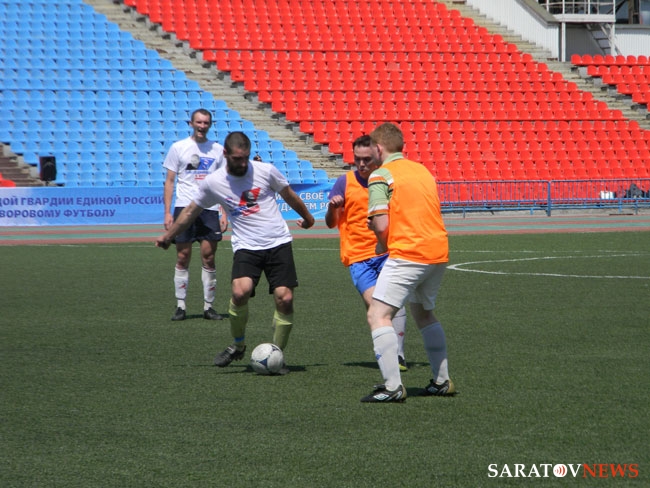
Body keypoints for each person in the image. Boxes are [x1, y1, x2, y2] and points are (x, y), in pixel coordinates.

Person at [156, 131, 315, 371]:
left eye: (245, 158)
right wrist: (169, 236)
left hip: (278, 242)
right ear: (225, 154)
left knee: (285, 298)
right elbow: (190, 211)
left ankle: (277, 354)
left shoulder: (266, 171)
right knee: (240, 293)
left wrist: (309, 218)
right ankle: (238, 346)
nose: (242, 164)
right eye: (236, 159)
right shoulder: (214, 182)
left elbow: (289, 195)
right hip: (246, 246)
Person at [361, 122, 456, 403]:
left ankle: (392, 387)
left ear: (379, 148)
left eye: (372, 150)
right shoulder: (422, 170)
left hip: (408, 252)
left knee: (378, 315)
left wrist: (382, 243)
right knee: (424, 313)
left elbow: (380, 223)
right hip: (437, 251)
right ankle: (442, 381)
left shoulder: (381, 174)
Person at [325, 135, 409, 371]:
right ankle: (388, 352)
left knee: (392, 303)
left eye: (367, 159)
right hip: (358, 257)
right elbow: (331, 223)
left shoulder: (385, 179)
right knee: (376, 305)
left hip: (386, 251)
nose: (361, 164)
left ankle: (397, 356)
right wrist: (333, 207)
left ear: (377, 156)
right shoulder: (344, 182)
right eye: (357, 159)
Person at [163, 108, 228, 322]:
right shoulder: (178, 147)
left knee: (209, 257)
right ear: (191, 124)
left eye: (206, 123)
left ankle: (209, 307)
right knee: (182, 256)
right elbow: (170, 181)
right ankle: (180, 306)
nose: (202, 126)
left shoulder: (217, 150)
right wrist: (167, 212)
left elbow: (224, 183)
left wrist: (224, 212)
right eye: (198, 122)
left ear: (210, 125)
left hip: (209, 209)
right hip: (184, 207)